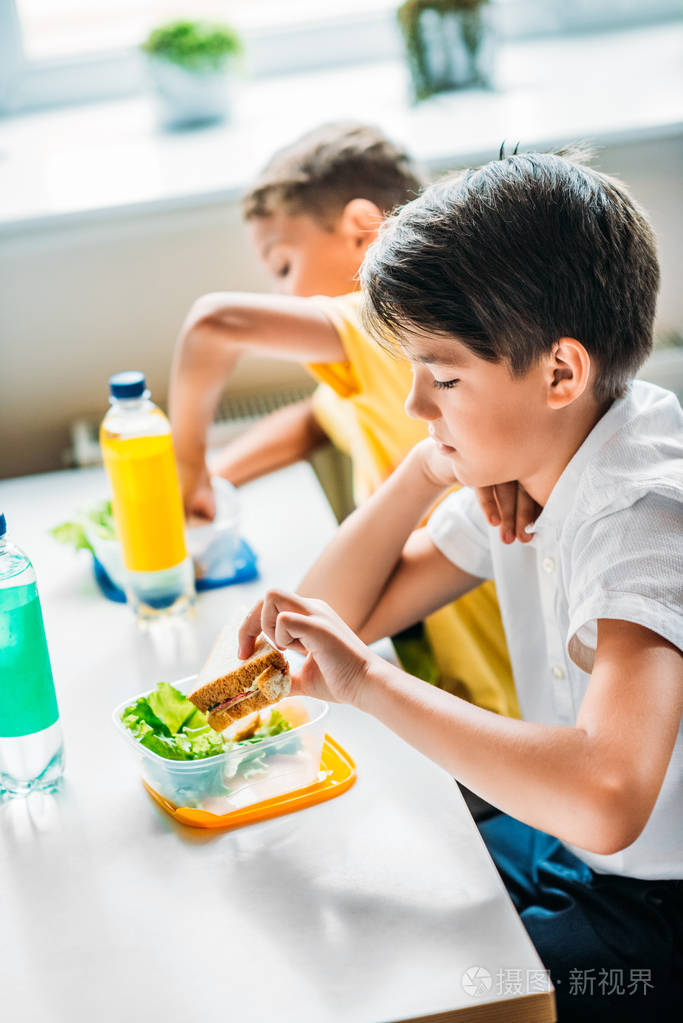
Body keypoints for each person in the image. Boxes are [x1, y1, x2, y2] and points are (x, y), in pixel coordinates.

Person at [237, 149, 683, 1019]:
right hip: (571, 852)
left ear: (560, 372)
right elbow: (322, 616)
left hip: (652, 911)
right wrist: (421, 470)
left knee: (423, 992)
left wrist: (368, 681)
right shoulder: (534, 453)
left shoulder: (640, 517)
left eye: (440, 378)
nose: (414, 403)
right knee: (354, 890)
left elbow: (606, 797)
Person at [169, 121, 525, 719]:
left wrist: (182, 474)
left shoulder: (380, 320)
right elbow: (314, 421)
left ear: (365, 232)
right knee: (270, 663)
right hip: (420, 624)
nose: (285, 297)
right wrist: (219, 478)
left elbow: (212, 323)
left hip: (493, 665)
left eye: (284, 267)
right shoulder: (386, 368)